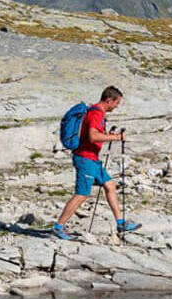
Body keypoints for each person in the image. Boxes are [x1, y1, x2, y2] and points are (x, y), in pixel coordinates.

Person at [53, 87, 140, 240]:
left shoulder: (95, 112)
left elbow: (93, 134)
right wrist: (117, 137)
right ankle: (58, 227)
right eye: (116, 102)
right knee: (81, 194)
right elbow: (93, 136)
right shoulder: (96, 113)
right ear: (109, 100)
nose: (117, 106)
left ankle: (121, 223)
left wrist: (108, 135)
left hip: (93, 159)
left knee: (110, 185)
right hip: (85, 159)